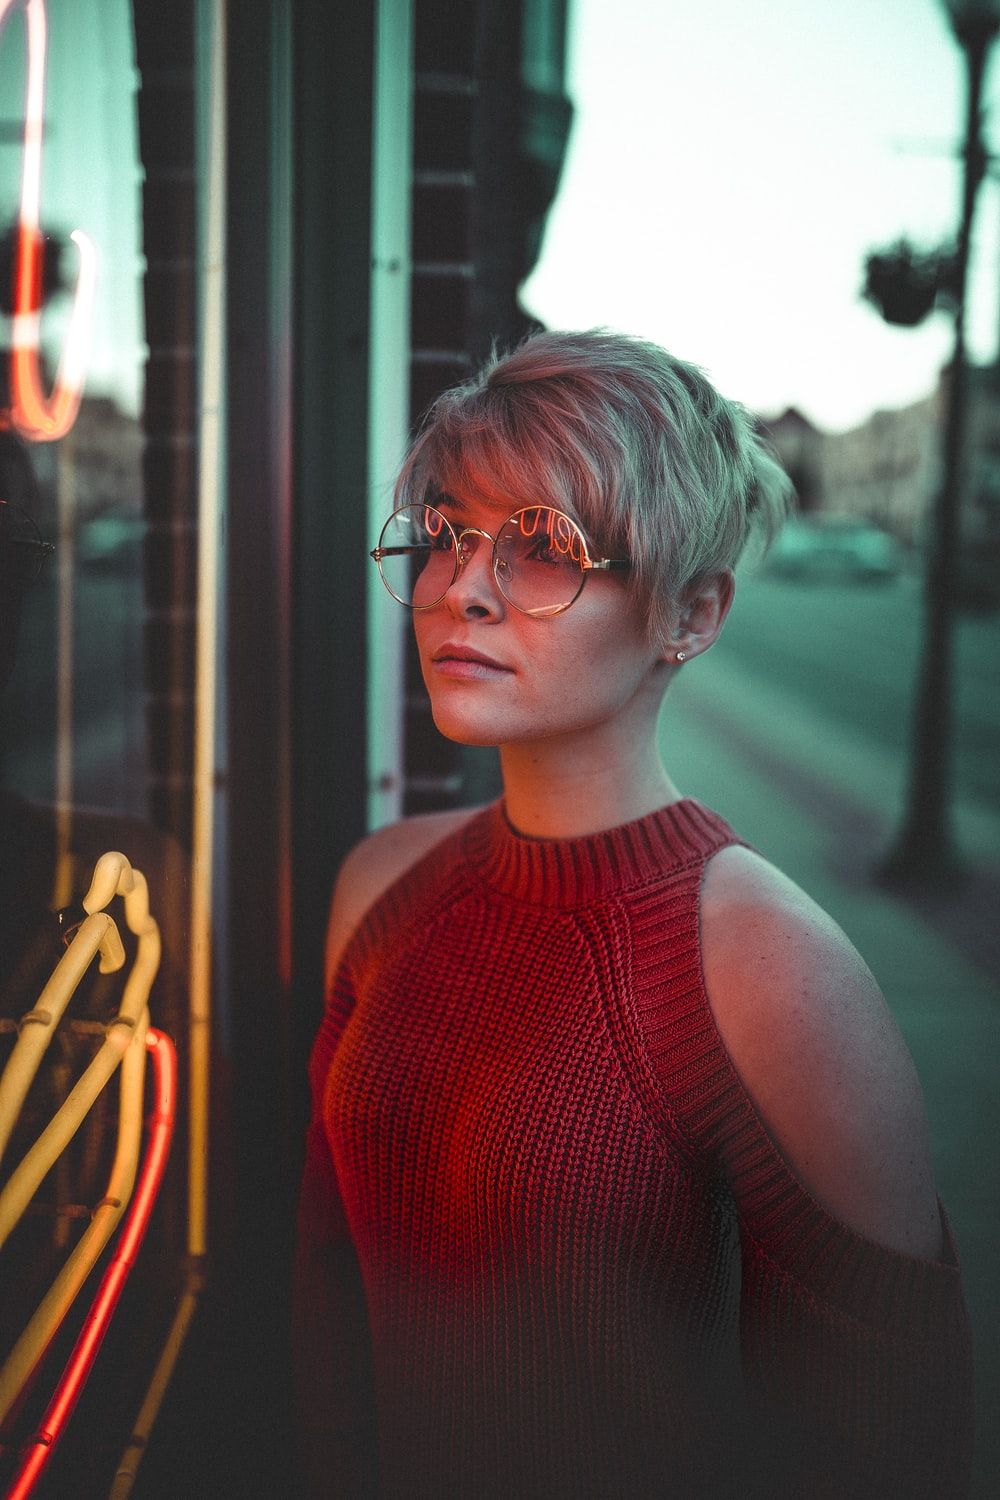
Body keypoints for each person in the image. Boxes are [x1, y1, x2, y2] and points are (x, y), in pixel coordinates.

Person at [293, 329, 974, 1499]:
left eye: (545, 547)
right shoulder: (378, 890)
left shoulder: (773, 974)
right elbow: (324, 1320)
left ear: (690, 616)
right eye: (447, 532)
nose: (463, 587)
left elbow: (889, 1444)